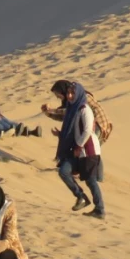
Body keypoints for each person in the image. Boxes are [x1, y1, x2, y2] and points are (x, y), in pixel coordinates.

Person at [51, 82, 105, 218]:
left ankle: (100, 209)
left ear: (79, 94)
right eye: (68, 93)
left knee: (91, 181)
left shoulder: (84, 109)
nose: (69, 96)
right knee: (64, 171)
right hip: (77, 151)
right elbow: (74, 130)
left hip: (88, 151)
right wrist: (61, 135)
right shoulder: (72, 109)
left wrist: (79, 145)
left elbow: (87, 130)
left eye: (72, 93)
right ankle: (81, 197)